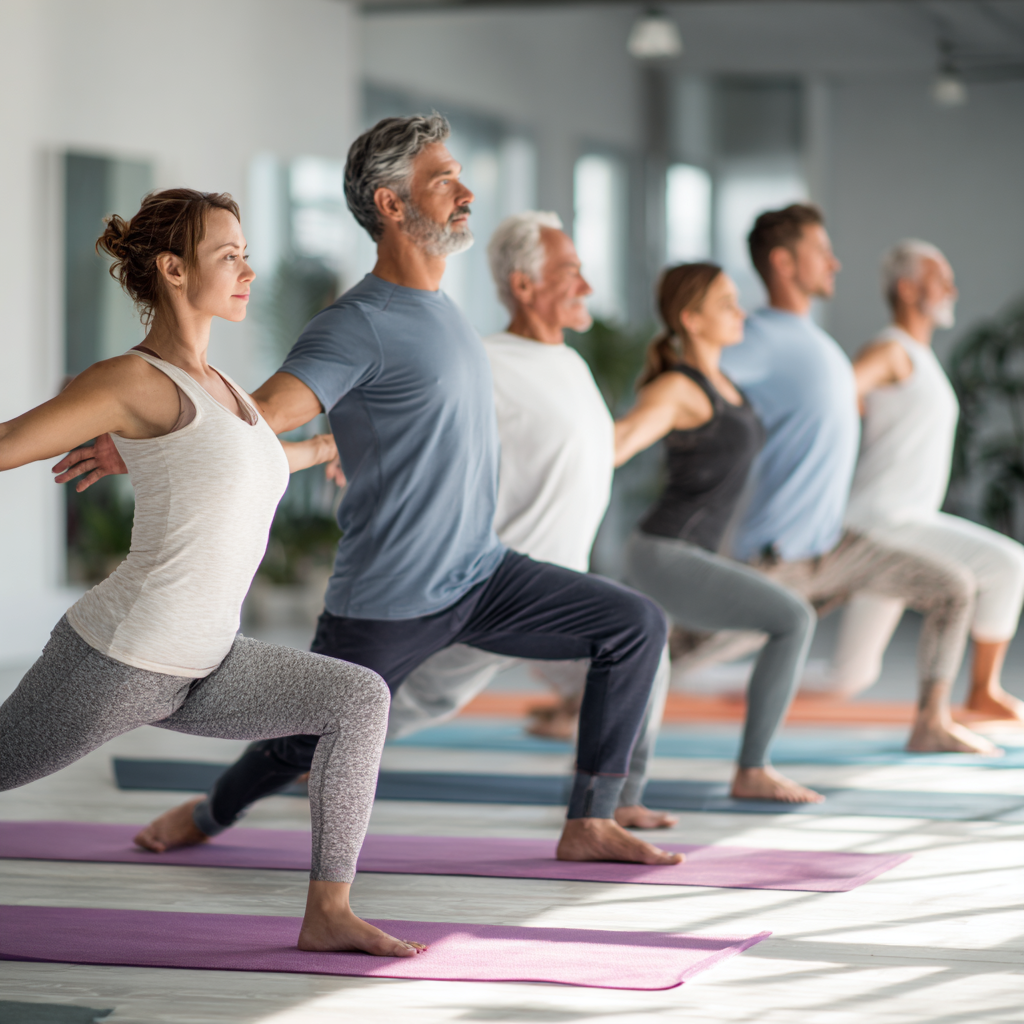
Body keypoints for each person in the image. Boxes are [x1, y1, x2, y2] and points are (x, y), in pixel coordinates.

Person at [61, 116, 676, 865]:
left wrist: (347, 446)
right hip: (390, 597)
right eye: (444, 180)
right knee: (298, 742)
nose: (466, 193)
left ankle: (591, 821)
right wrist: (145, 442)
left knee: (634, 626)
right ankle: (209, 812)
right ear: (391, 204)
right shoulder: (358, 324)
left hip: (482, 573)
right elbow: (262, 415)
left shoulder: (446, 311)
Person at [0, 189, 425, 958]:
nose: (249, 271)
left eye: (246, 254)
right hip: (121, 658)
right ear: (172, 270)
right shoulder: (131, 381)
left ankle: (328, 912)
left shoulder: (224, 387)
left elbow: (254, 463)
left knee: (359, 699)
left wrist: (333, 447)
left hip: (208, 663)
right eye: (229, 256)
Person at [711, 204, 995, 755]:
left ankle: (932, 721)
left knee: (887, 643)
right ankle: (599, 685)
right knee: (708, 643)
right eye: (821, 250)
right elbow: (705, 384)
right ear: (784, 263)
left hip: (840, 540)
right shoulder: (777, 337)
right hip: (804, 538)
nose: (835, 262)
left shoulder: (815, 342)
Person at [616, 263, 822, 803]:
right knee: (792, 619)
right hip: (665, 550)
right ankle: (752, 770)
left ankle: (622, 799)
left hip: (683, 550)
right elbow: (624, 438)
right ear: (691, 318)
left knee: (652, 668)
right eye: (727, 303)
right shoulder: (679, 387)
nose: (741, 312)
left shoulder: (726, 384)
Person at [810, 240, 1024, 722]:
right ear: (907, 289)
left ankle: (720, 691)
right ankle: (982, 692)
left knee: (849, 677)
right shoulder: (892, 349)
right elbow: (837, 392)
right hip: (884, 521)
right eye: (939, 279)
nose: (951, 289)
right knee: (1008, 565)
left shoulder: (919, 358)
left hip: (900, 522)